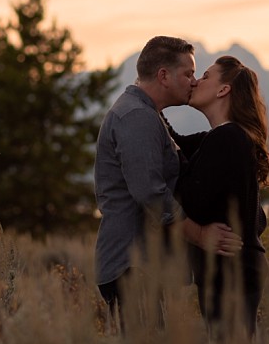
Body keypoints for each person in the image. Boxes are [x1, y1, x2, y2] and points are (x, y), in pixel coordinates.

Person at [94, 36, 243, 327]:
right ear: (163, 75)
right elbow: (151, 195)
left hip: (144, 266)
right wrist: (201, 235)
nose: (193, 81)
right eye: (188, 73)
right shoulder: (137, 117)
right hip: (131, 265)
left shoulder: (149, 115)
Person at [167, 55, 269, 336]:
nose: (196, 81)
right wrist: (154, 95)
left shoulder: (227, 139)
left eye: (204, 76)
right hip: (233, 270)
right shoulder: (223, 138)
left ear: (222, 90)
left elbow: (190, 199)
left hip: (232, 274)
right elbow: (174, 141)